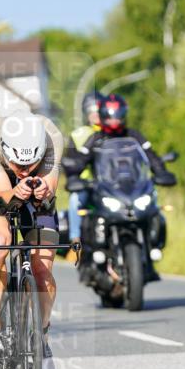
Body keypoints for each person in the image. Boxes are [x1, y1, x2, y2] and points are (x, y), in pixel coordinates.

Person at [0, 111, 64, 369]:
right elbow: (2, 199)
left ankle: (42, 339)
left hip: (37, 193)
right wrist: (15, 190)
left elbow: (48, 197)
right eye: (19, 166)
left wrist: (42, 189)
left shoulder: (52, 137)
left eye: (30, 165)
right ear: (5, 150)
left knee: (42, 265)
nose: (24, 171)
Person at [65, 93, 176, 186]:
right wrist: (73, 175)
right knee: (79, 203)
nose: (114, 120)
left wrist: (161, 171)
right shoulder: (94, 138)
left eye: (117, 115)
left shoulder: (133, 135)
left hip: (135, 187)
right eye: (109, 116)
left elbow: (150, 156)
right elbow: (81, 159)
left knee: (155, 208)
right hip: (101, 187)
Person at [66, 92, 104, 255]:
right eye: (91, 110)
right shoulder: (78, 135)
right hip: (87, 185)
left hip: (111, 184)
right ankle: (76, 242)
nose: (95, 114)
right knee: (75, 201)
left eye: (98, 109)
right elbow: (70, 164)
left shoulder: (115, 132)